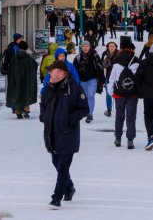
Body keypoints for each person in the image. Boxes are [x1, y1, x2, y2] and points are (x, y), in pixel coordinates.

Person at [39, 60, 90, 209]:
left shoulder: (75, 88)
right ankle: (69, 187)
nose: (49, 73)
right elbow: (43, 105)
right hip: (51, 134)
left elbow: (84, 109)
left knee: (62, 168)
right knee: (56, 163)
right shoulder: (48, 88)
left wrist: (71, 119)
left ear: (61, 73)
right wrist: (44, 116)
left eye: (51, 71)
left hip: (68, 134)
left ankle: (56, 198)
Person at [107, 41, 140, 149]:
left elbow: (111, 78)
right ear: (132, 49)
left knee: (119, 116)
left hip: (119, 93)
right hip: (133, 94)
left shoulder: (116, 61)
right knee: (131, 117)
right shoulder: (136, 61)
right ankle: (130, 140)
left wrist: (111, 91)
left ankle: (118, 138)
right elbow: (140, 78)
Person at [73, 41, 104, 123]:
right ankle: (86, 110)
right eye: (83, 46)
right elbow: (74, 69)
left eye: (87, 46)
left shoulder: (94, 55)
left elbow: (100, 67)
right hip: (82, 80)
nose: (85, 48)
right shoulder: (79, 56)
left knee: (90, 95)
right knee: (85, 96)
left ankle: (90, 113)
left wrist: (102, 80)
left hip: (93, 79)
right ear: (81, 47)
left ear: (90, 47)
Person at [6, 41, 38, 118]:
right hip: (27, 81)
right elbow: (35, 66)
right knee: (26, 94)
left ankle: (18, 111)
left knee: (17, 95)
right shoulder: (29, 58)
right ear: (26, 48)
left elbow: (10, 70)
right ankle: (26, 109)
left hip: (16, 81)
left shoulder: (14, 58)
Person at [101, 41, 119, 117]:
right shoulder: (105, 54)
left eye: (113, 46)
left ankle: (119, 109)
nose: (111, 47)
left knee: (118, 94)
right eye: (110, 46)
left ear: (115, 47)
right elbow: (101, 66)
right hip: (107, 76)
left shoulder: (119, 54)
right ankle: (109, 110)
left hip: (116, 77)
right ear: (108, 47)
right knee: (108, 94)